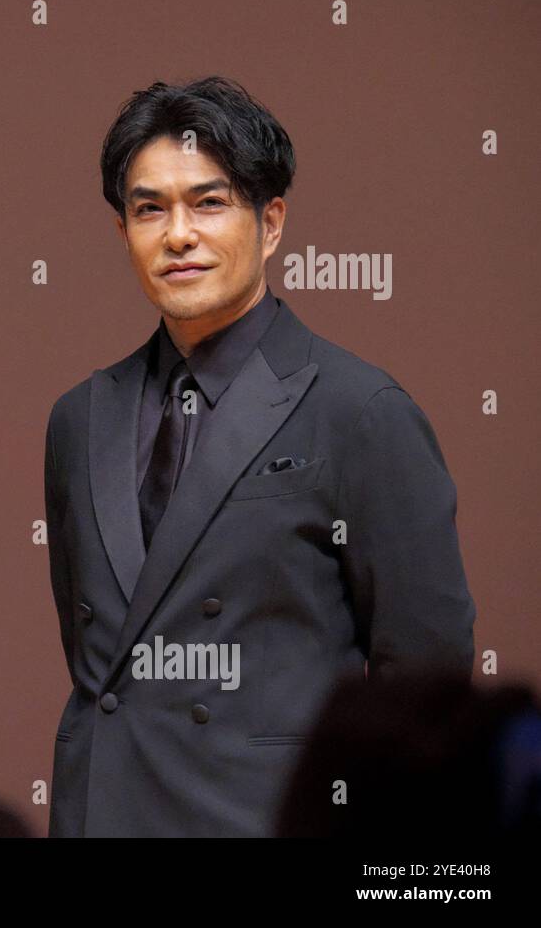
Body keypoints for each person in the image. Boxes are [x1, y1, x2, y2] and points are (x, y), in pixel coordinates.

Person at [43, 76, 475, 837]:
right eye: (150, 208)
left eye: (209, 203)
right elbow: (100, 651)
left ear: (271, 222)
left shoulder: (360, 410)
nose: (178, 234)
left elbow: (425, 692)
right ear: (124, 234)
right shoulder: (80, 416)